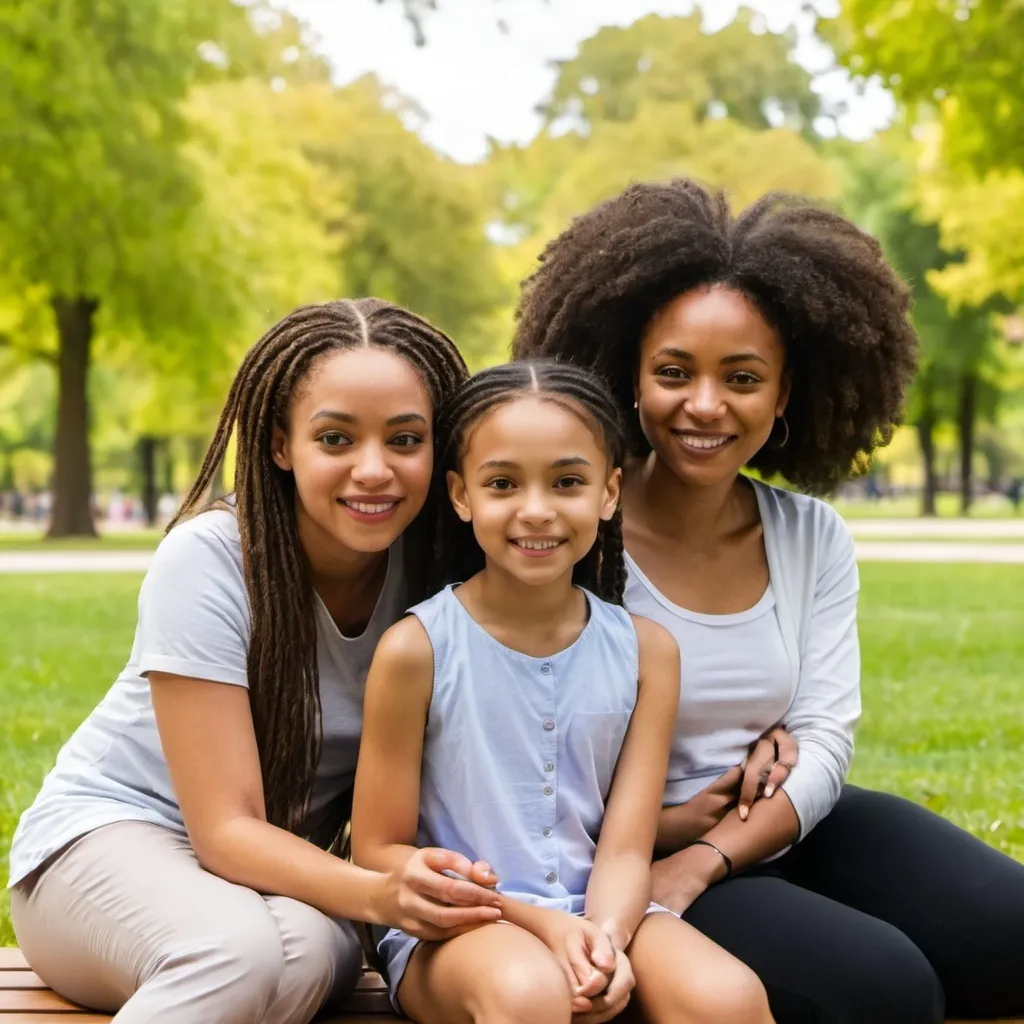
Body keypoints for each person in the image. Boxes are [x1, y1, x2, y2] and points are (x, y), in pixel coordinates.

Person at [512, 179, 1024, 1023]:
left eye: (742, 378)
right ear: (628, 377)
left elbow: (824, 735)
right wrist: (667, 844)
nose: (704, 405)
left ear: (784, 395)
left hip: (779, 824)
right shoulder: (571, 532)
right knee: (886, 992)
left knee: (1010, 934)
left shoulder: (809, 536)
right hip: (630, 853)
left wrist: (713, 853)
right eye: (673, 372)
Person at [7, 298, 506, 1023]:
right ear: (281, 445)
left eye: (405, 439)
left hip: (283, 882)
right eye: (336, 438)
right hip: (105, 849)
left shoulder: (441, 574)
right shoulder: (210, 560)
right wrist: (376, 893)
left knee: (310, 953)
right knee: (231, 953)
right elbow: (225, 829)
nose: (374, 470)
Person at [350, 360, 775, 1024]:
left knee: (729, 998)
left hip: (601, 905)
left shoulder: (647, 653)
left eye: (568, 482)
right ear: (462, 497)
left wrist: (602, 940)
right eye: (502, 484)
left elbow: (627, 849)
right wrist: (546, 931)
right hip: (452, 928)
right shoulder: (417, 649)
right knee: (530, 992)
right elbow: (377, 852)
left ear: (609, 494)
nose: (537, 510)